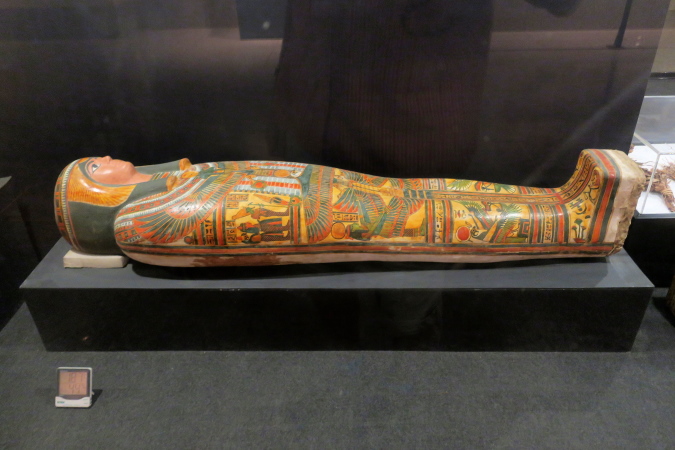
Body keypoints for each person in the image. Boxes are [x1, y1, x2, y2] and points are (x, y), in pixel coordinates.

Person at [54, 149, 642, 267]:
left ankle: (563, 203)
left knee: (428, 191)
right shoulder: (138, 225)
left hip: (324, 193)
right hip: (322, 216)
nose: (103, 157)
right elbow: (227, 222)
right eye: (93, 169)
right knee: (428, 219)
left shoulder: (177, 181)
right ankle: (579, 223)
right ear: (96, 200)